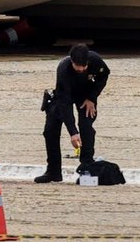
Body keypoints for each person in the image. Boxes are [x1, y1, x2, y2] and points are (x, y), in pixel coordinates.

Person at [36, 43, 110, 183]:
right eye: (78, 67)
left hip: (86, 96)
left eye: (84, 66)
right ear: (71, 61)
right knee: (50, 130)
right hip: (64, 96)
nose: (81, 69)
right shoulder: (63, 69)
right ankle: (53, 171)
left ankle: (87, 167)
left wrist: (92, 98)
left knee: (86, 126)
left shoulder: (95, 60)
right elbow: (64, 104)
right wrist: (73, 132)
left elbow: (104, 76)